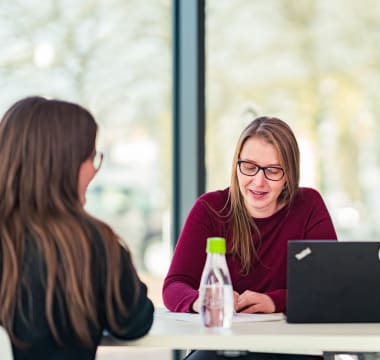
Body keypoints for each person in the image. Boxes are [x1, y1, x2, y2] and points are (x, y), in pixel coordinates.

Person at [163, 116, 337, 359]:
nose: (258, 181)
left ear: (289, 174)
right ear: (236, 165)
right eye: (249, 166)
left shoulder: (308, 206)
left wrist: (273, 302)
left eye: (273, 170)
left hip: (295, 347)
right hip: (222, 348)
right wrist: (200, 300)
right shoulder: (210, 209)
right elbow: (174, 285)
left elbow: (330, 287)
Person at [0, 96, 154, 360]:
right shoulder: (93, 243)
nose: (94, 171)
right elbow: (134, 322)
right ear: (66, 165)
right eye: (92, 158)